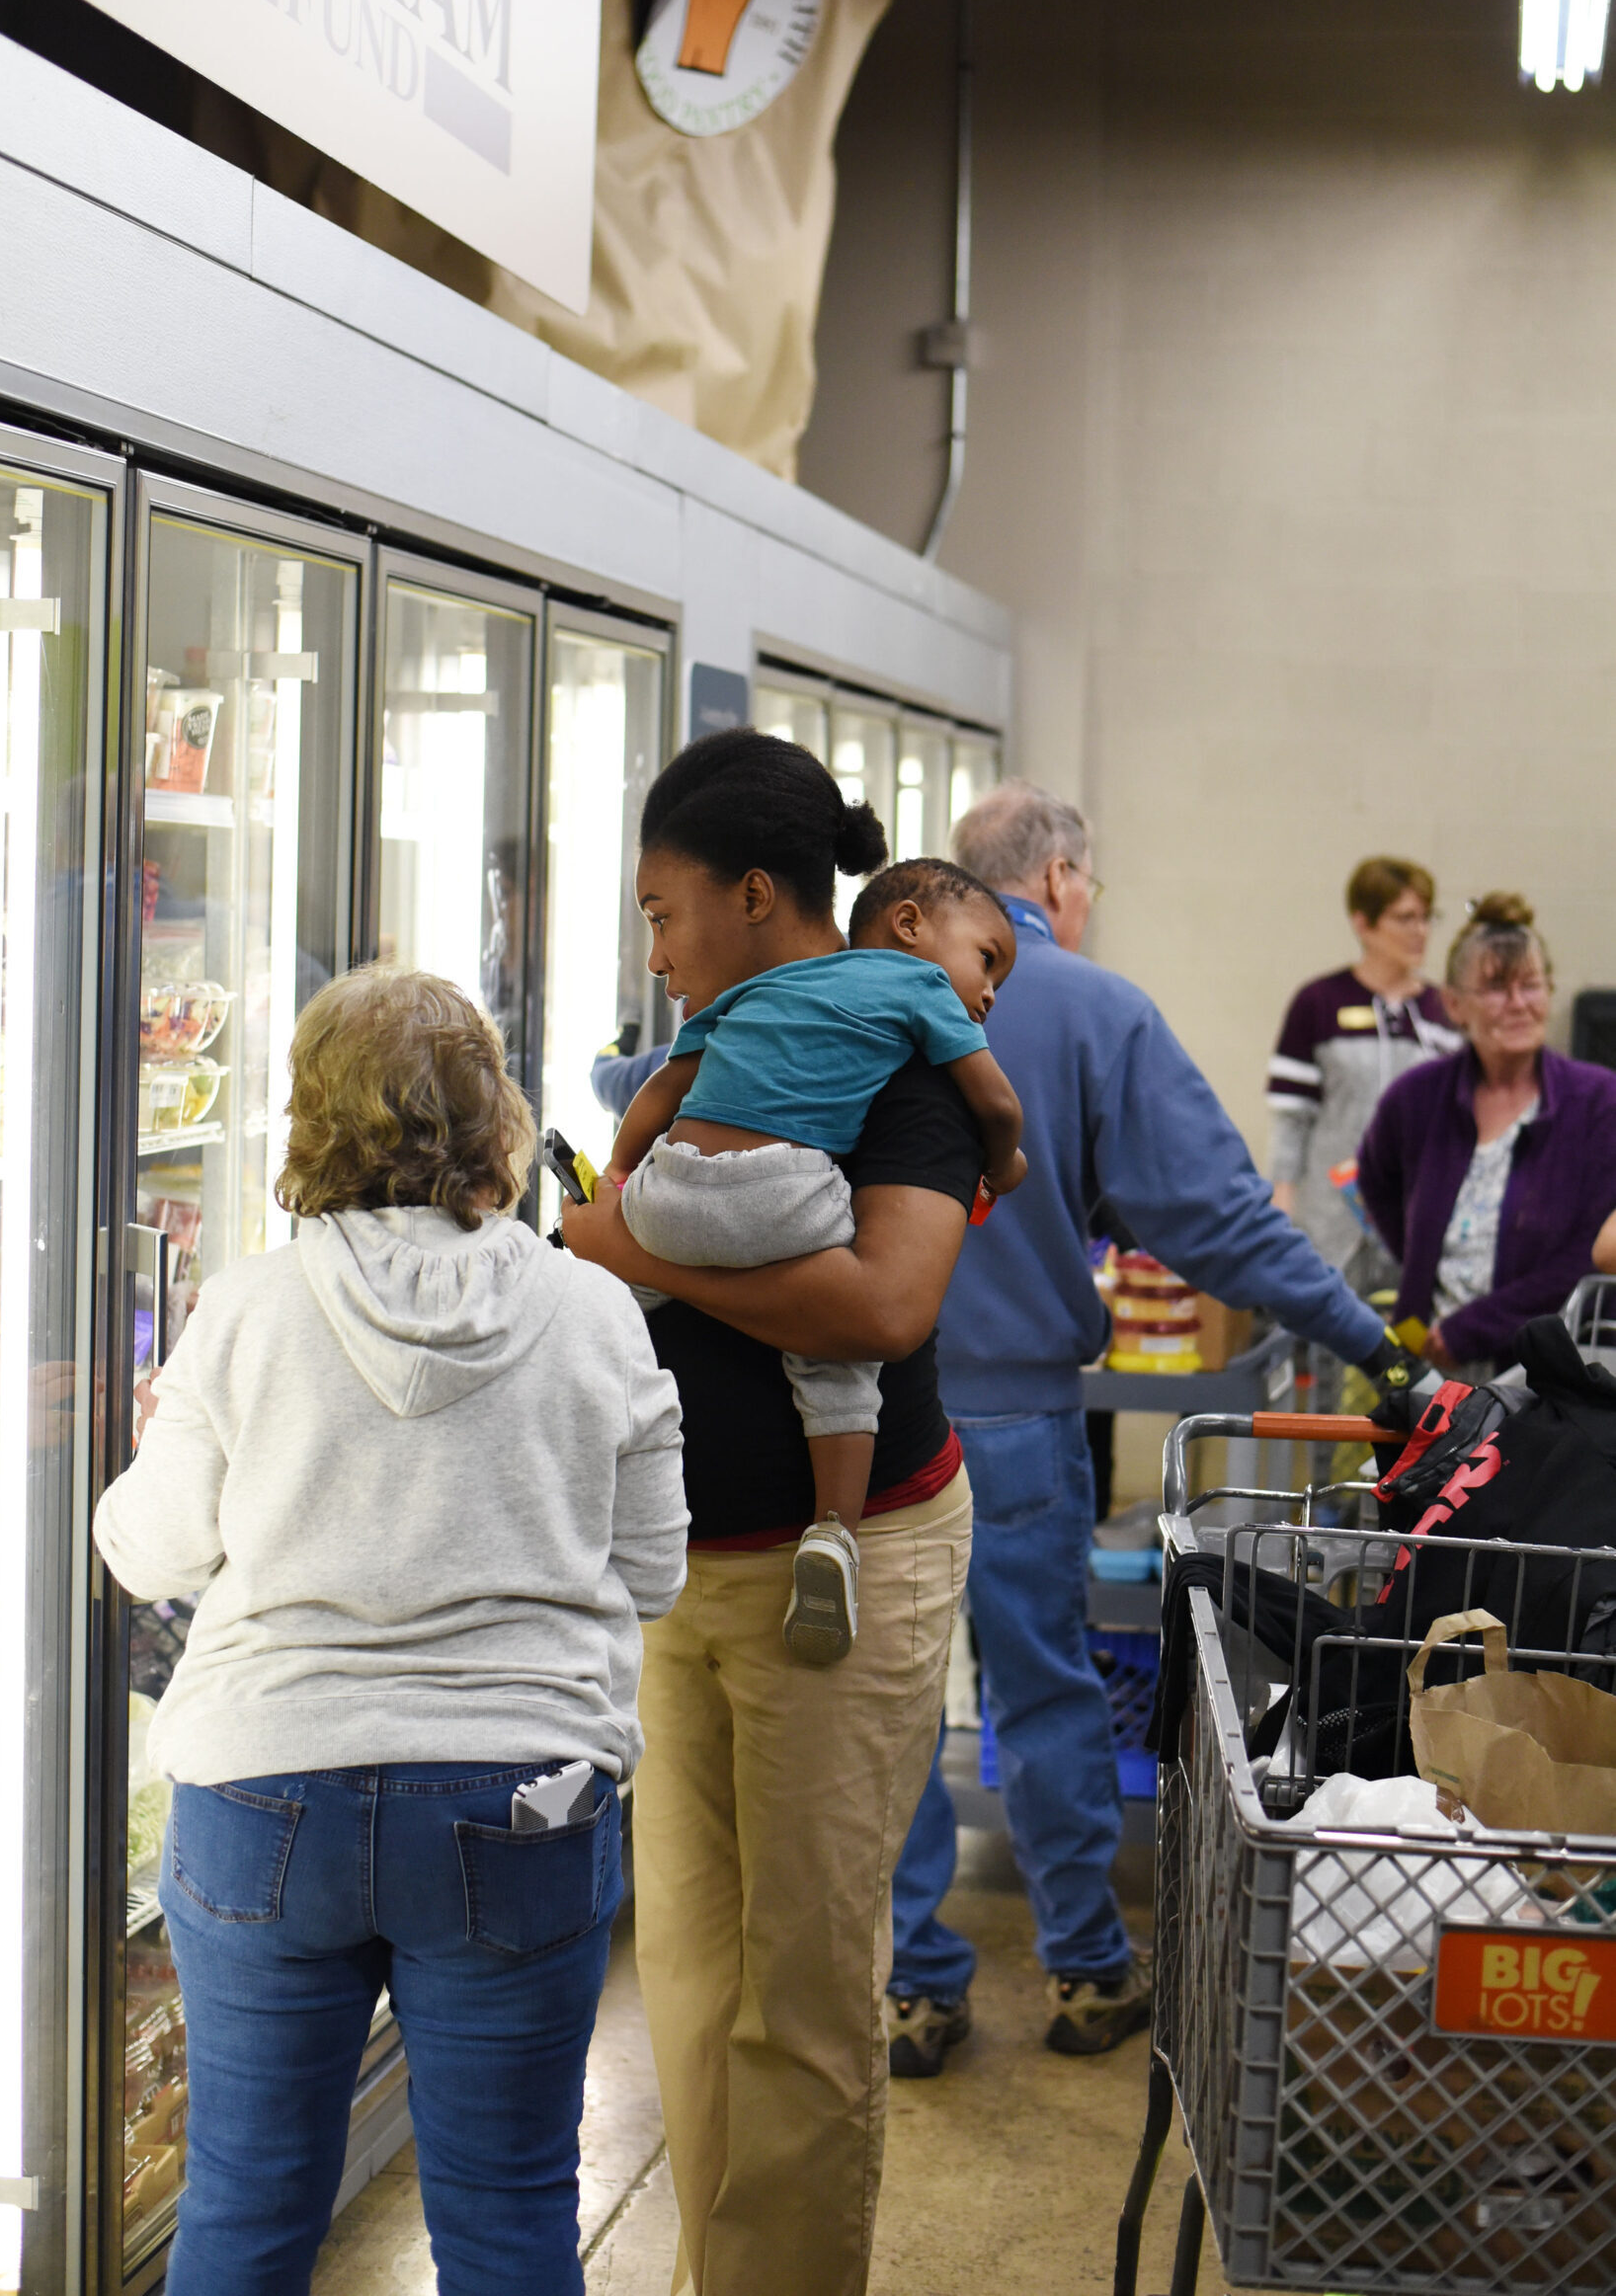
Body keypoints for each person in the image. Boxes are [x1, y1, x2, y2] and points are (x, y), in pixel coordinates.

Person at [94, 968, 687, 2296]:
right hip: (519, 1799)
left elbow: (150, 1550)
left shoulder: (249, 1309)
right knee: (510, 2211)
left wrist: (155, 1452)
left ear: (311, 1118)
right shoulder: (591, 1309)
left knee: (245, 2205)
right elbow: (654, 1571)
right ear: (498, 1121)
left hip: (265, 1798)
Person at [886, 781, 1411, 2076]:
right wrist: (1376, 1351)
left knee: (887, 1710)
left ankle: (911, 1984)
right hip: (1014, 1422)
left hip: (867, 1414)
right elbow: (1221, 1223)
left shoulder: (856, 987)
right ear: (1059, 878)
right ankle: (1081, 1970)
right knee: (1048, 1694)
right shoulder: (1096, 1010)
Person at [561, 728, 980, 2296]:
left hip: (845, 1563)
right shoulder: (705, 1052)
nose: (654, 951)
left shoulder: (896, 1055)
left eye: (665, 913)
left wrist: (626, 1248)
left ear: (754, 893)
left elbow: (880, 1304)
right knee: (686, 1967)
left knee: (801, 1993)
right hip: (682, 1576)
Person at [606, 854, 1024, 1665]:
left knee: (630, 1323)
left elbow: (657, 1093)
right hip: (781, 1189)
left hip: (668, 1193)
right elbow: (997, 1105)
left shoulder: (753, 990)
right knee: (835, 1365)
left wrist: (619, 1196)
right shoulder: (922, 994)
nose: (992, 990)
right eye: (987, 959)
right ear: (907, 926)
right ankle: (833, 1530)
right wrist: (1004, 1165)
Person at [1358, 894, 1616, 1376]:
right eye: (1497, 988)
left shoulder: (1599, 1101)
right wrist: (1422, 1260)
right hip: (1426, 1359)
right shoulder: (1415, 1098)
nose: (1518, 1004)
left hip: (1545, 1371)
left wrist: (1472, 1328)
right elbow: (1375, 1181)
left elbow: (1589, 1251)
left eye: (1531, 986)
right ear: (1454, 1004)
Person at [1266, 855, 1460, 1272]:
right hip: (1331, 1222)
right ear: (1363, 923)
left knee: (1406, 1334)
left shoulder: (1444, 1012)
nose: (1420, 932)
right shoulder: (1317, 1003)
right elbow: (1292, 1119)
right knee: (1328, 1332)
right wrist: (1281, 1203)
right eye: (1405, 919)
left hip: (1416, 1218)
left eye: (1427, 918)